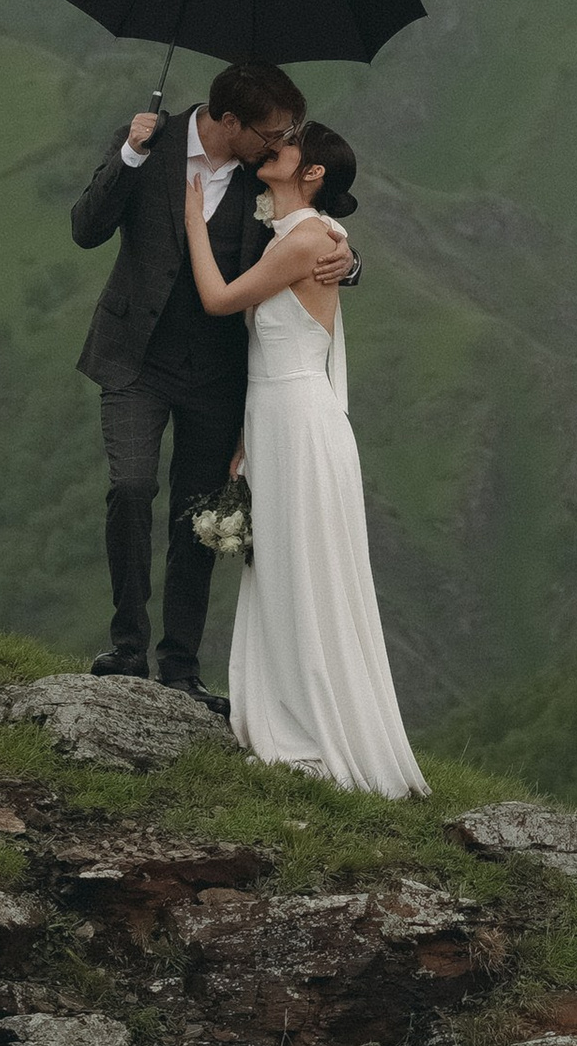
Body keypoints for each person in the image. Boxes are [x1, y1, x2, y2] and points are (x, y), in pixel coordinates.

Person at [69, 58, 353, 696]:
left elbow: (314, 225)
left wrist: (348, 261)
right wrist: (129, 155)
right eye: (272, 132)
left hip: (218, 375)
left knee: (195, 518)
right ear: (231, 122)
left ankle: (180, 668)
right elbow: (86, 228)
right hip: (134, 358)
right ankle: (126, 648)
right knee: (132, 487)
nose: (281, 143)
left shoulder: (267, 177)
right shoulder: (152, 144)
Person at [182, 119, 425, 798]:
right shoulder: (298, 236)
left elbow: (219, 299)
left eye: (288, 145)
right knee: (284, 568)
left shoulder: (312, 240)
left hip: (299, 419)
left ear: (311, 171)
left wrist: (194, 222)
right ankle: (290, 706)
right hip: (272, 421)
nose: (274, 147)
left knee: (306, 567)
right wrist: (241, 442)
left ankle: (316, 723)